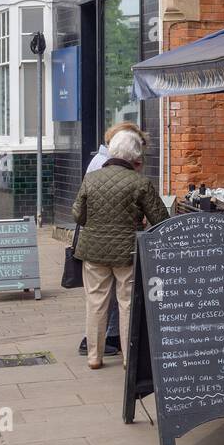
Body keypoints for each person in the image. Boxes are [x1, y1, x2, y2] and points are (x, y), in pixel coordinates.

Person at [72, 129, 169, 368]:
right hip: (128, 253)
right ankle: (129, 359)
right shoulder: (140, 182)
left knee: (95, 302)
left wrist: (96, 223)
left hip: (93, 251)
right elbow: (161, 219)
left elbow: (78, 215)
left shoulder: (91, 179)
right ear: (135, 155)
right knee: (127, 304)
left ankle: (95, 358)